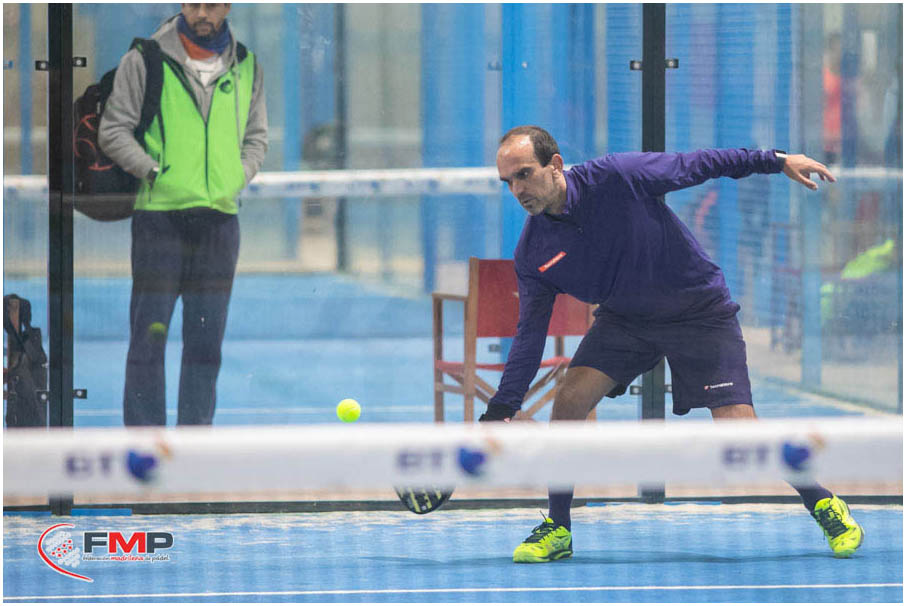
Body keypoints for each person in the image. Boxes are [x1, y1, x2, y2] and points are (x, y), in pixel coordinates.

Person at [480, 125, 863, 562]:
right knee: (569, 399)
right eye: (508, 182)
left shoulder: (618, 176)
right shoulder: (534, 253)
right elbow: (530, 335)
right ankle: (558, 527)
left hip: (698, 311)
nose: (517, 190)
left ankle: (823, 502)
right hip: (626, 321)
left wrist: (775, 161)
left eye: (524, 174)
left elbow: (698, 164)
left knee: (740, 430)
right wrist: (502, 408)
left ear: (555, 165)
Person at [99, 3, 268, 426]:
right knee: (148, 339)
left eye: (212, 4)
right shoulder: (144, 59)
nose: (202, 13)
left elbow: (256, 137)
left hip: (220, 222)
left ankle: (194, 441)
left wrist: (234, 178)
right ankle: (145, 443)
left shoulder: (247, 64)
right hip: (160, 220)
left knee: (206, 344)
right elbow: (113, 130)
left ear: (227, 6)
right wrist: (154, 172)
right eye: (194, 3)